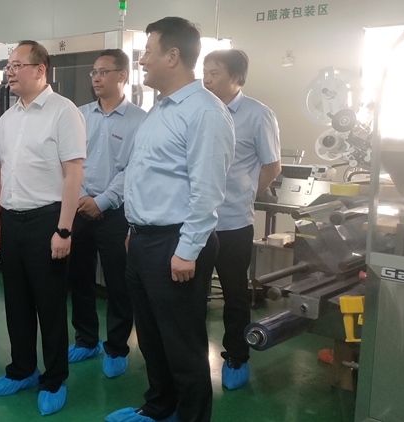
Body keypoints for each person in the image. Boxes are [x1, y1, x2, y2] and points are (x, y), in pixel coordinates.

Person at [105, 18, 235, 422]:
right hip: (144, 240)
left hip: (177, 242)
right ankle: (159, 406)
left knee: (182, 342)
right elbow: (144, 174)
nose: (142, 60)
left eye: (148, 51)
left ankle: (192, 416)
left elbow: (207, 191)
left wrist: (187, 250)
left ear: (173, 56)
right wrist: (134, 228)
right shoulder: (159, 110)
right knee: (151, 336)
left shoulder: (205, 112)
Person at [0, 40, 86, 416]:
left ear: (40, 70)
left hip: (48, 221)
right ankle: (22, 369)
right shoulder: (6, 119)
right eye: (8, 66)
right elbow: (0, 172)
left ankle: (54, 377)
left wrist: (64, 230)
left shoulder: (63, 112)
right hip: (12, 221)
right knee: (16, 302)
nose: (9, 72)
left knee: (50, 303)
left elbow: (73, 173)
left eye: (17, 65)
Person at [202, 49, 281, 390]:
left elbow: (272, 165)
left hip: (233, 222)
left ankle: (236, 356)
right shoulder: (201, 111)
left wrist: (247, 195)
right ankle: (190, 359)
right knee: (191, 294)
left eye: (214, 73)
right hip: (197, 222)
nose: (206, 79)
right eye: (205, 72)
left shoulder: (257, 114)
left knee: (234, 294)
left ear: (235, 77)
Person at [67, 49, 147, 379]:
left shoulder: (140, 120)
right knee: (79, 277)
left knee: (118, 283)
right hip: (78, 207)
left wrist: (102, 201)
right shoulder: (79, 115)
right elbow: (69, 161)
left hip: (117, 212)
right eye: (94, 72)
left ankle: (116, 347)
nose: (96, 78)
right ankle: (86, 340)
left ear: (122, 76)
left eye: (104, 72)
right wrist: (82, 197)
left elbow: (134, 169)